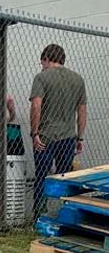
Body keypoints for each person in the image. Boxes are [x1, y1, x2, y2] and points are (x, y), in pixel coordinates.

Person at [29, 44, 86, 215]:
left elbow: (36, 106)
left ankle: (39, 214)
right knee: (65, 177)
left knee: (42, 176)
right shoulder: (77, 79)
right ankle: (63, 213)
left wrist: (35, 133)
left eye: (42, 62)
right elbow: (82, 110)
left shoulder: (42, 77)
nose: (42, 66)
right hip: (69, 136)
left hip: (45, 136)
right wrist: (80, 137)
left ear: (46, 59)